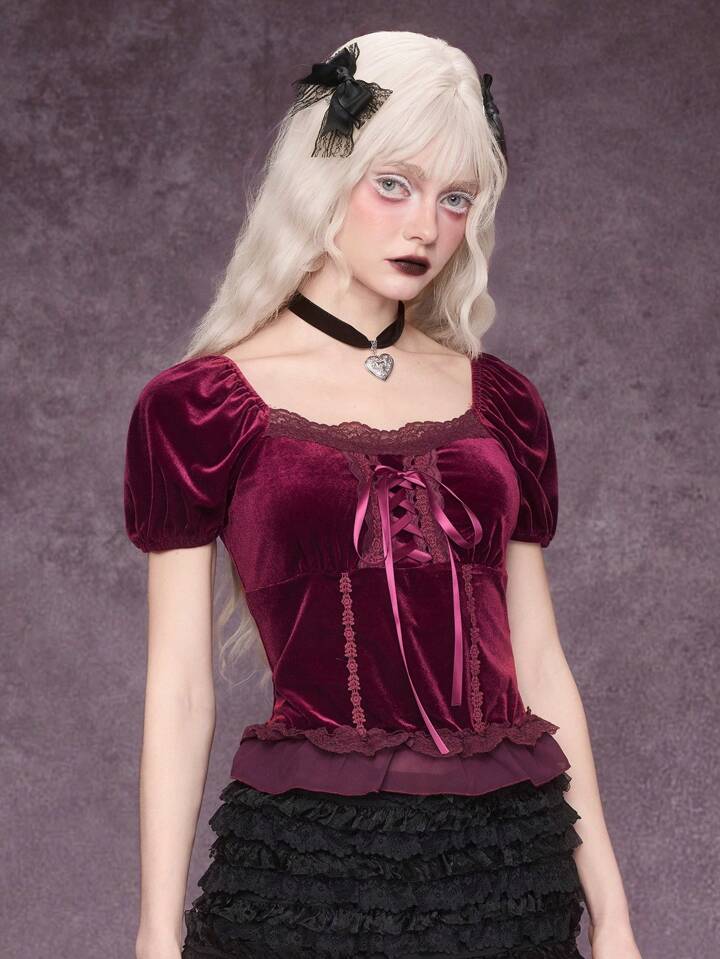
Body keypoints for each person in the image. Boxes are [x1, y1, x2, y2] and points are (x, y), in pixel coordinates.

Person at [124, 31, 642, 959]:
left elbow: (539, 658)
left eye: (456, 199)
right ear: (323, 176)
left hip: (506, 866)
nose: (425, 228)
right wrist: (156, 934)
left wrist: (615, 915)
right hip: (309, 867)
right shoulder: (198, 405)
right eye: (394, 184)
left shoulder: (503, 401)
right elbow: (181, 689)